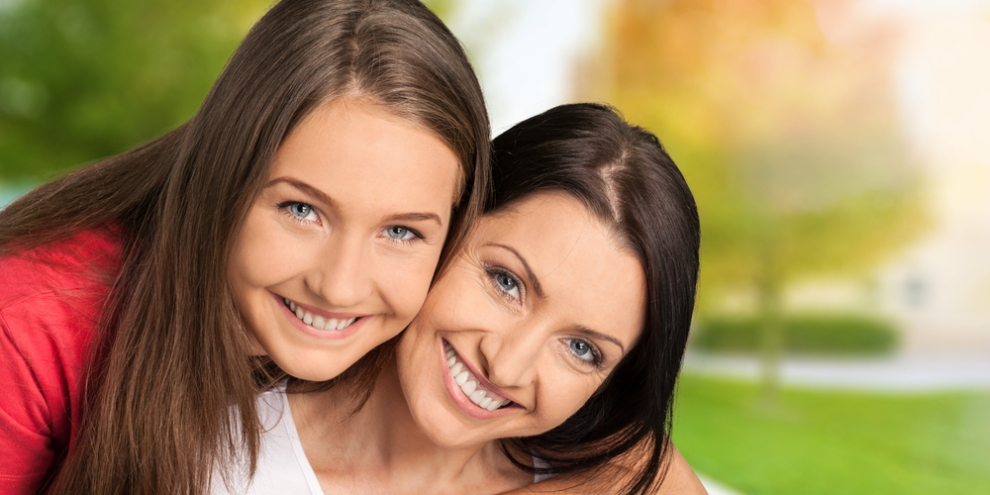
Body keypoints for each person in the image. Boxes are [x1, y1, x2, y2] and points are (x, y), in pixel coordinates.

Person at [0, 1, 489, 494]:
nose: (340, 288)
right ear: (225, 174)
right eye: (302, 210)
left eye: (401, 233)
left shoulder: (434, 351)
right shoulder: (26, 322)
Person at [230, 103, 705, 495]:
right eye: (506, 282)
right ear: (451, 222)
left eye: (583, 349)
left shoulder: (603, 477)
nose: (506, 368)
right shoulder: (214, 444)